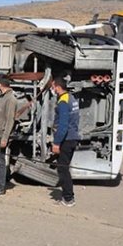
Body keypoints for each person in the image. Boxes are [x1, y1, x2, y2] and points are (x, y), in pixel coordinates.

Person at [51, 76, 80, 207]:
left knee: (63, 169)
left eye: (53, 87)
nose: (53, 89)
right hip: (73, 137)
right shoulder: (71, 98)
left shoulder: (63, 101)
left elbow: (62, 125)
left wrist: (56, 142)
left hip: (66, 139)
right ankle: (67, 196)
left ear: (57, 86)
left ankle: (68, 198)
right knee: (64, 168)